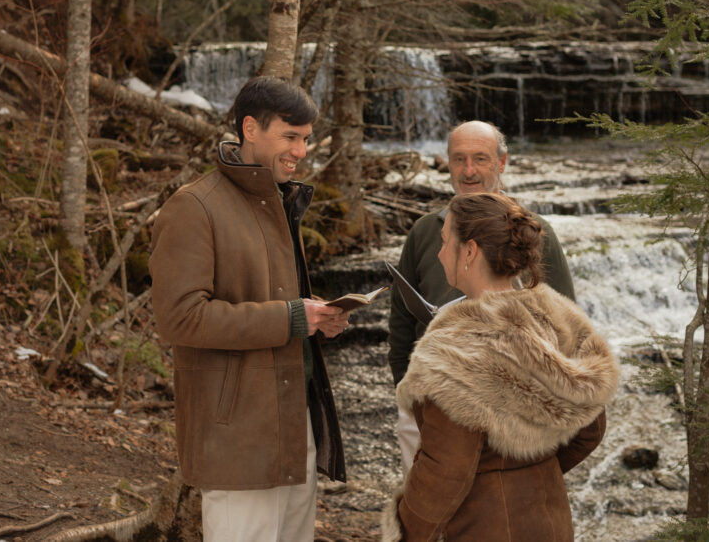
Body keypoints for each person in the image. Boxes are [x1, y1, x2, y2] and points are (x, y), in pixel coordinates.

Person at [149, 76, 349, 542]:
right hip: (235, 433)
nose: (300, 150)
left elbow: (277, 301)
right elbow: (180, 318)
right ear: (250, 128)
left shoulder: (279, 200)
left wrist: (318, 319)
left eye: (305, 139)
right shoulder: (194, 206)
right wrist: (293, 317)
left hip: (293, 422)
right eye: (290, 136)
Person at [381, 193, 619, 541]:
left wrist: (404, 531)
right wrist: (532, 468)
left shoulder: (454, 349)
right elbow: (590, 428)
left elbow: (446, 469)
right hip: (549, 519)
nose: (439, 253)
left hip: (481, 526)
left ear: (470, 251)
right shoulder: (556, 317)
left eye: (446, 242)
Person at [387, 120, 576, 474]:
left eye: (480, 159)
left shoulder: (535, 233)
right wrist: (409, 394)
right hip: (428, 401)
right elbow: (400, 323)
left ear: (502, 163)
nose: (469, 171)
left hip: (506, 411)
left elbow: (567, 327)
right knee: (427, 506)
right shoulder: (426, 232)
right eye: (459, 159)